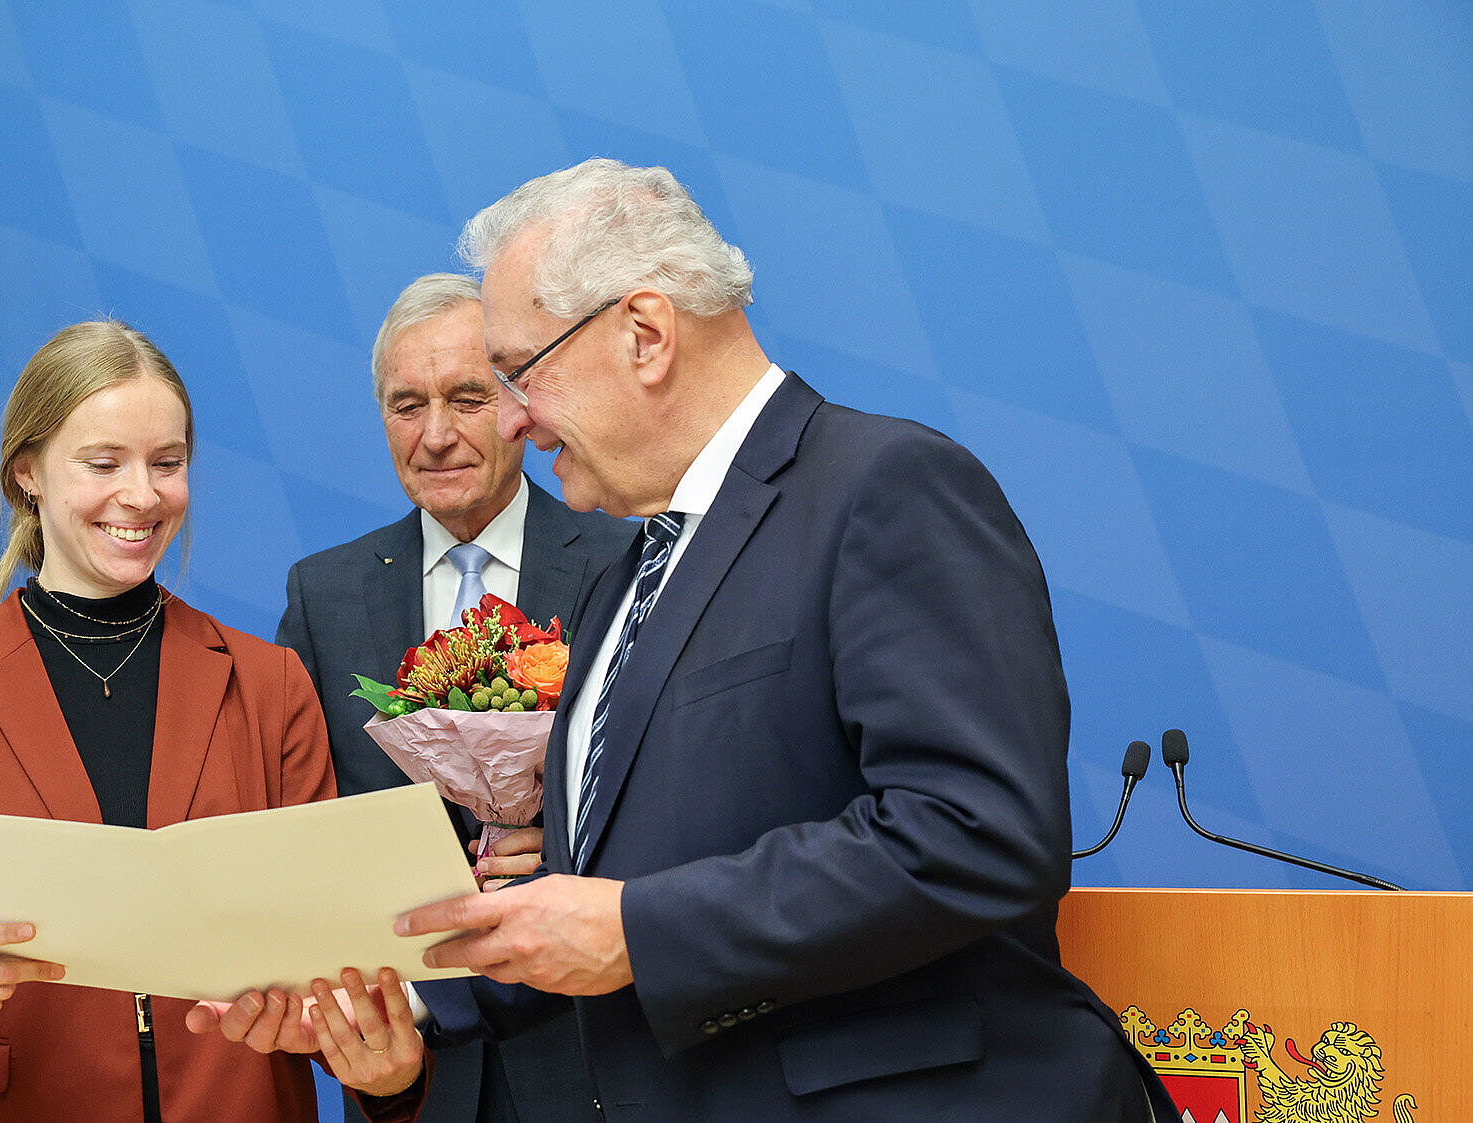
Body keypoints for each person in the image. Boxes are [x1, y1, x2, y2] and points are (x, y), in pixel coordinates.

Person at [381, 160, 1181, 1120]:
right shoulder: (625, 577)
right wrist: (404, 1002)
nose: (512, 417)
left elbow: (975, 832)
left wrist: (638, 930)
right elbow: (596, 903)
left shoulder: (886, 488)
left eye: (520, 372)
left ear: (645, 334)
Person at [0, 320, 427, 1123]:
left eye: (167, 463)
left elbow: (328, 967)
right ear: (27, 473)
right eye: (104, 463)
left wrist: (386, 1072)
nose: (142, 494)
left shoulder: (270, 684)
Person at [276, 275, 629, 1123]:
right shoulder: (324, 593)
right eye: (407, 406)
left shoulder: (624, 562)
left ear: (521, 402)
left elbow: (677, 795)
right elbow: (302, 824)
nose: (435, 435)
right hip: (410, 1069)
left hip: (593, 1059)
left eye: (468, 398)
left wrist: (568, 845)